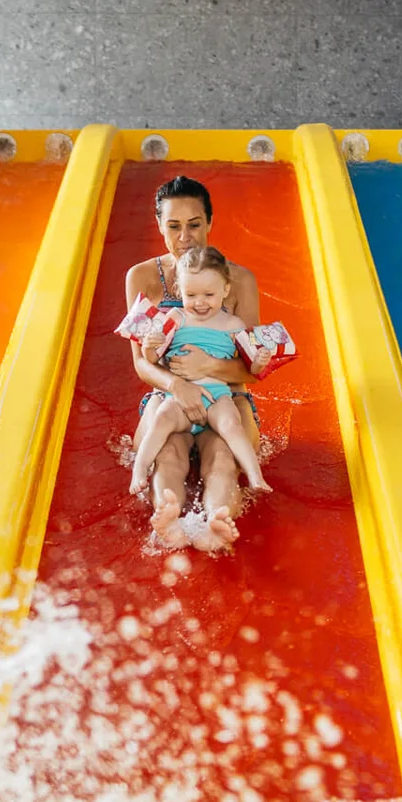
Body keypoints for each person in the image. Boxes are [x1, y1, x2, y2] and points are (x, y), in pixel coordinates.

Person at [125, 176, 264, 551]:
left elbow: (253, 369)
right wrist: (177, 386)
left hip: (225, 399)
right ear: (159, 226)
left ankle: (216, 525)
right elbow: (141, 363)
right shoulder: (141, 278)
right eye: (174, 226)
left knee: (222, 458)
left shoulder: (239, 281)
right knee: (165, 453)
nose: (185, 236)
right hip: (169, 396)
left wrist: (209, 367)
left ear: (210, 223)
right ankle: (169, 522)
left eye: (194, 224)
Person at [130, 246, 273, 497]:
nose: (199, 302)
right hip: (179, 399)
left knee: (231, 424)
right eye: (191, 294)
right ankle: (140, 470)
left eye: (209, 294)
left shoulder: (234, 325)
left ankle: (254, 474)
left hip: (218, 395)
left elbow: (249, 369)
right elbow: (151, 359)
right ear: (179, 292)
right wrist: (150, 346)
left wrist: (260, 360)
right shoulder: (175, 317)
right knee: (161, 420)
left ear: (225, 290)